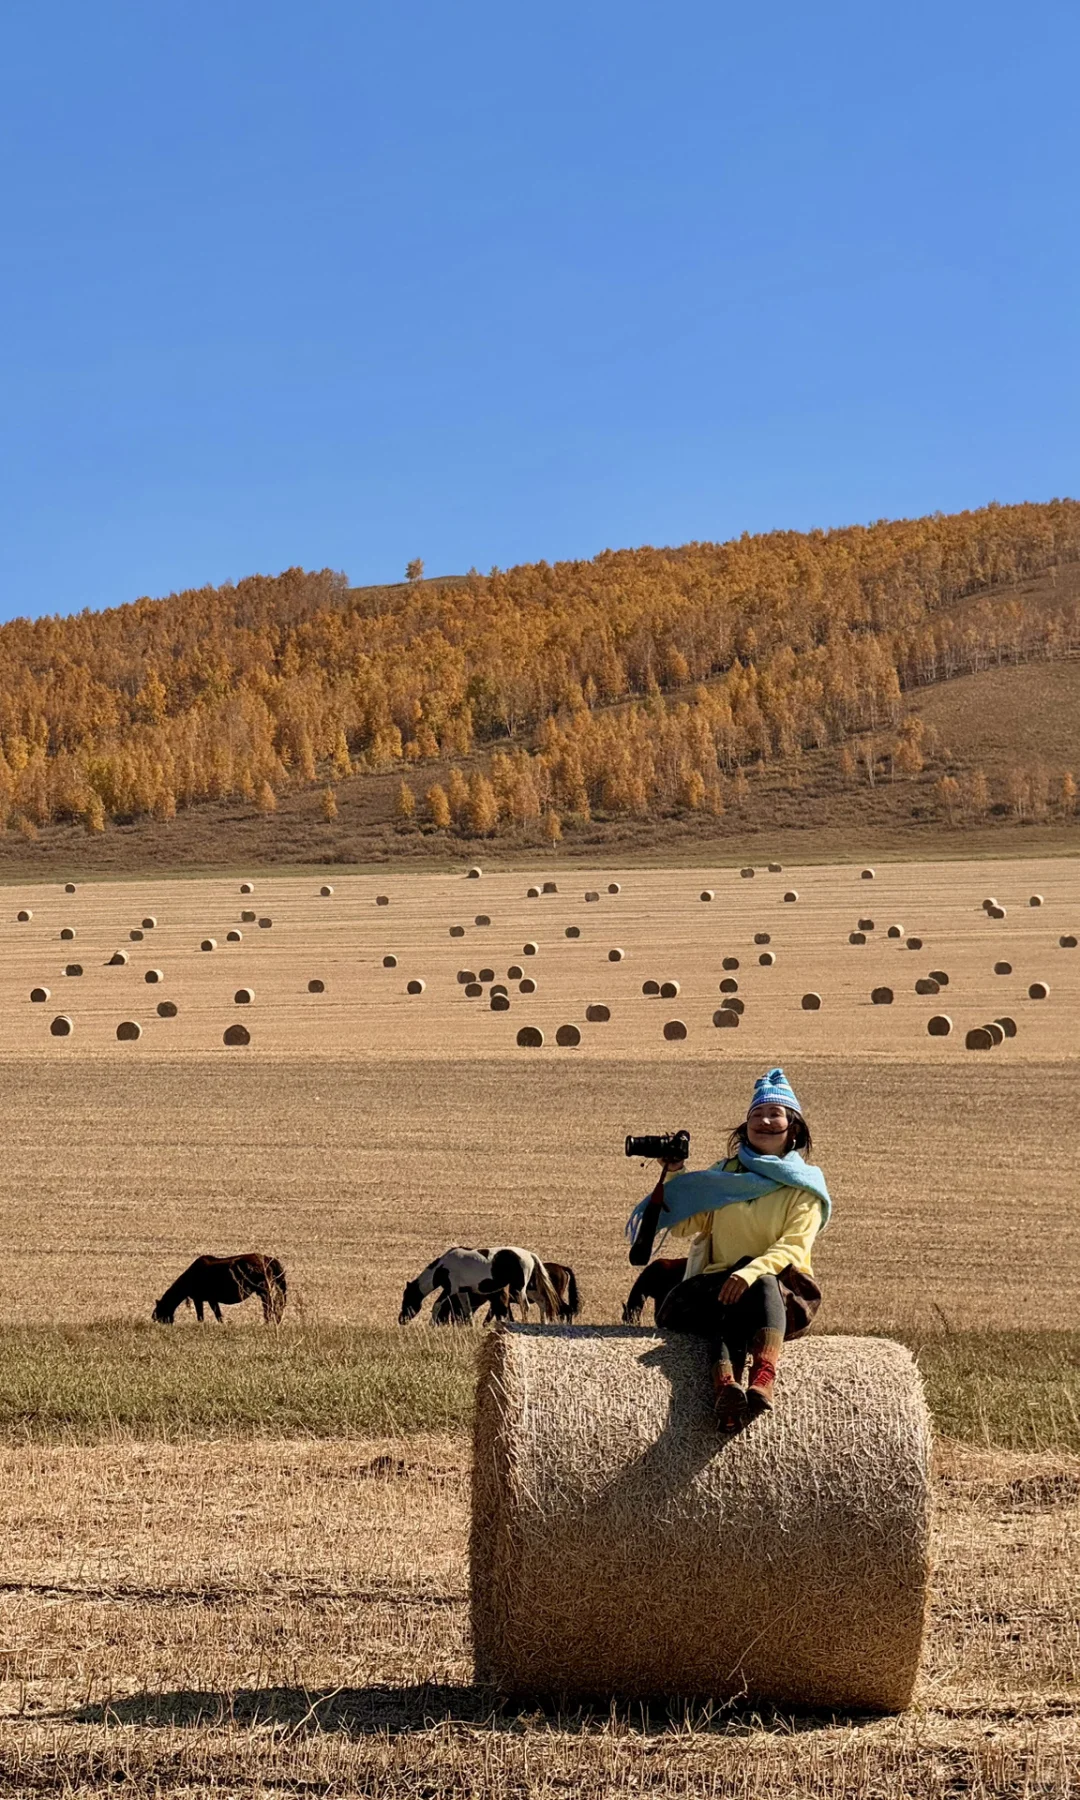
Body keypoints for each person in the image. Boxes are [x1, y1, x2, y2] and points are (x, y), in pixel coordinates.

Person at [625, 1068, 831, 1432]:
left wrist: (748, 1272)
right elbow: (686, 1224)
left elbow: (794, 1244)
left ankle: (763, 1374)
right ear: (746, 1125)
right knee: (727, 1300)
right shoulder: (726, 1175)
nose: (765, 1121)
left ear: (793, 1127)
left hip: (783, 1295)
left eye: (775, 1114)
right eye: (757, 1114)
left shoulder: (806, 1187)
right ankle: (727, 1388)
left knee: (761, 1284)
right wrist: (675, 1174)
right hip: (714, 1290)